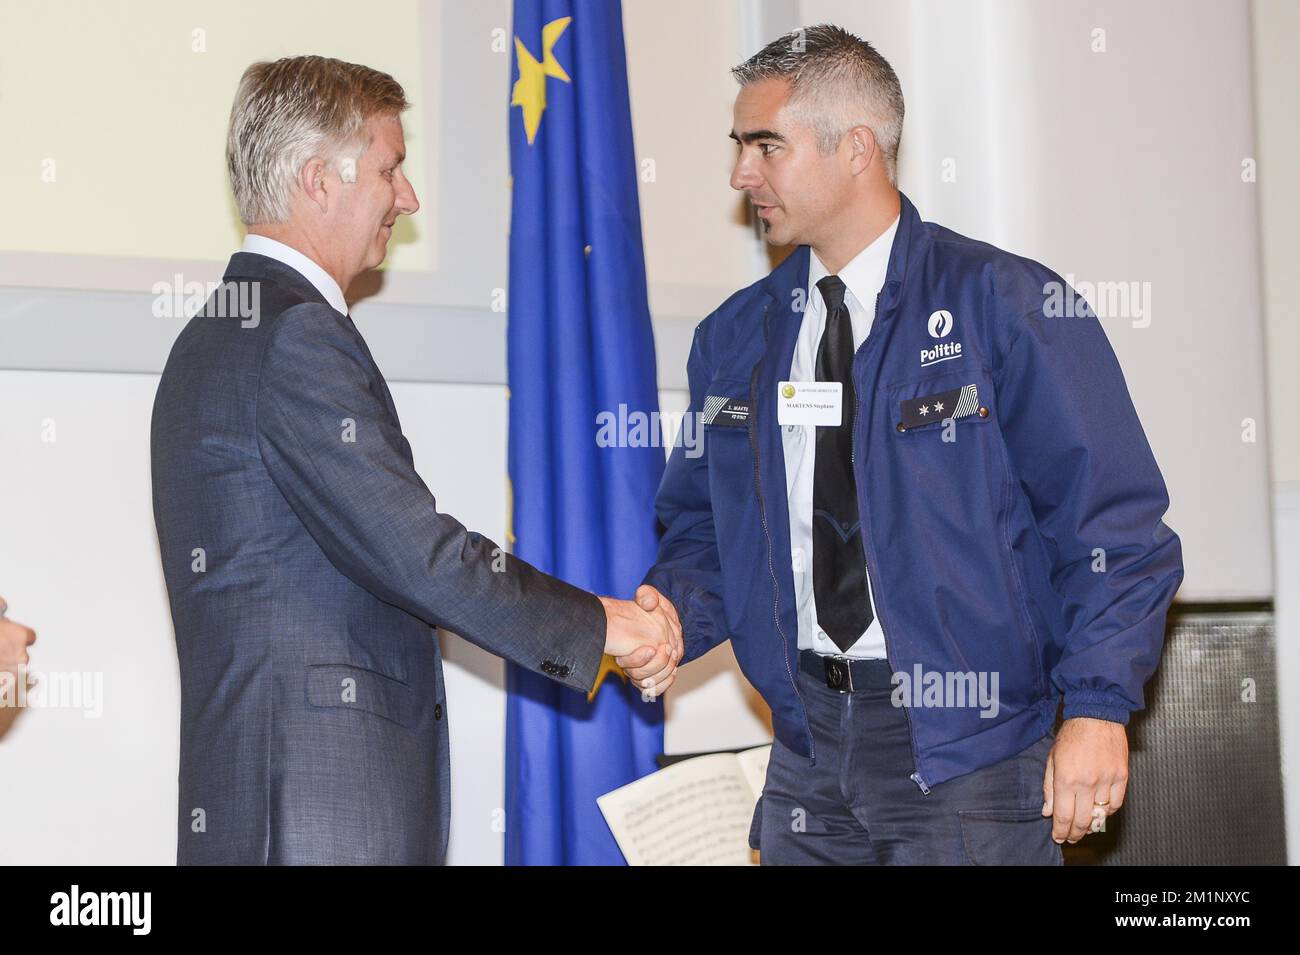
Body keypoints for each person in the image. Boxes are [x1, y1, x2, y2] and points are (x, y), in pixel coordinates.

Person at [639, 24, 1183, 864]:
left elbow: (1115, 534)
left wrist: (1099, 709)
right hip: (806, 758)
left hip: (974, 760)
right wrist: (668, 612)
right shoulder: (735, 338)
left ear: (856, 148)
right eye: (738, 146)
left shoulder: (1003, 304)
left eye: (765, 146)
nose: (742, 173)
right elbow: (706, 532)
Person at [151, 55, 680, 865]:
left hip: (271, 810)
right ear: (320, 180)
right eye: (391, 169)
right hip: (314, 818)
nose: (409, 197)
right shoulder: (296, 334)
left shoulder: (221, 330)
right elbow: (418, 553)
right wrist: (604, 622)